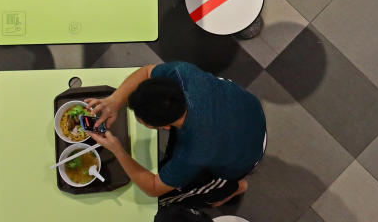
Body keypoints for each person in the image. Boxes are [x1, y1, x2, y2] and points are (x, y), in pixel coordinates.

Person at [85, 61, 266, 210]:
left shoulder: (193, 153)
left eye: (141, 121)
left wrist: (118, 150)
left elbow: (154, 188)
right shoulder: (183, 73)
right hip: (246, 107)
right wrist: (114, 100)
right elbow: (147, 72)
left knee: (169, 201)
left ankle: (234, 188)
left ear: (164, 127)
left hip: (245, 155)